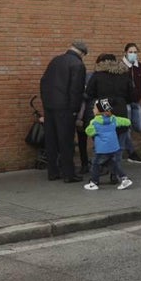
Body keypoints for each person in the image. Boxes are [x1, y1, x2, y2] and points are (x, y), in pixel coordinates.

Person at [40, 40, 88, 183]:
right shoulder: (78, 65)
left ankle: (53, 172)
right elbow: (76, 90)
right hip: (66, 108)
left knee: (51, 140)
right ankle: (69, 173)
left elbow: (43, 82)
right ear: (82, 53)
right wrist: (75, 110)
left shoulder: (55, 60)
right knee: (66, 141)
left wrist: (46, 103)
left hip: (50, 106)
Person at [83, 53, 136, 164]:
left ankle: (103, 165)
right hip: (121, 108)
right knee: (119, 142)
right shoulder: (124, 74)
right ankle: (115, 171)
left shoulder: (98, 75)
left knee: (103, 139)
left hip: (103, 106)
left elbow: (89, 93)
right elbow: (132, 96)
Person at [83, 99, 133, 191]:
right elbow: (125, 121)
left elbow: (88, 131)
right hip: (113, 146)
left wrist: (93, 132)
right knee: (112, 163)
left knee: (95, 164)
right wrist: (128, 122)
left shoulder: (95, 122)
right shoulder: (113, 119)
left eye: (94, 108)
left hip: (102, 148)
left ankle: (94, 182)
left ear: (99, 111)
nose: (93, 110)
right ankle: (124, 178)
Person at [121, 43, 141, 164]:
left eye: (135, 52)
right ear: (125, 53)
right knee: (126, 129)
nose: (133, 54)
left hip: (136, 101)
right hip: (125, 102)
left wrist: (140, 94)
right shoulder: (121, 66)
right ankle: (131, 152)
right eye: (131, 52)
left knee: (139, 126)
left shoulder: (139, 66)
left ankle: (126, 147)